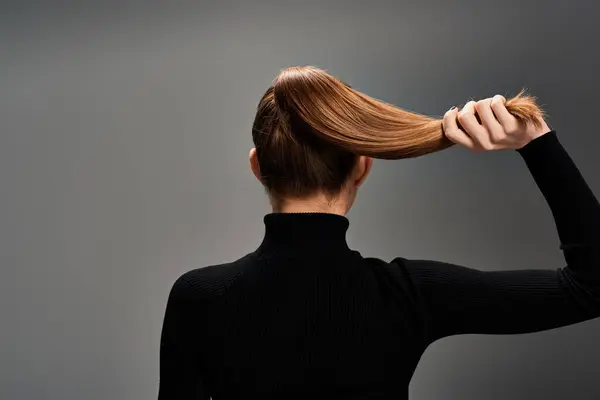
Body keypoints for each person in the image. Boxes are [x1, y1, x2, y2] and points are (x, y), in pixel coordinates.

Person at [158, 66, 600, 400]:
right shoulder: (409, 295)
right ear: (363, 166)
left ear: (258, 167)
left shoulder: (198, 297)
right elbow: (592, 286)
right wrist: (536, 141)